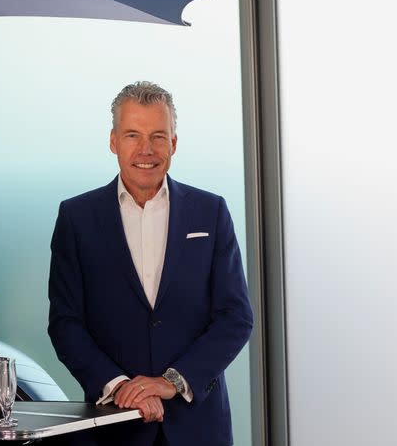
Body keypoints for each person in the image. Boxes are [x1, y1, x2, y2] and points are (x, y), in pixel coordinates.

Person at [48, 81, 253, 446]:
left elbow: (235, 317)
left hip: (199, 429)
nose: (146, 149)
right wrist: (121, 387)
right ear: (113, 141)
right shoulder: (76, 219)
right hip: (112, 429)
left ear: (174, 143)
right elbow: (66, 323)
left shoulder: (211, 213)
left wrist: (170, 382)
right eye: (133, 135)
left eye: (158, 136)